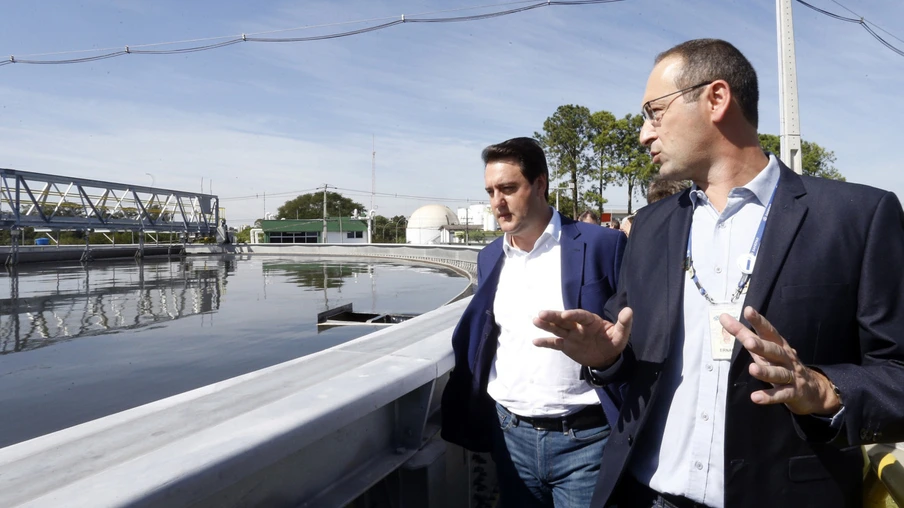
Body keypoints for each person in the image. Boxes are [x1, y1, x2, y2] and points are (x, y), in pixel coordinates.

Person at [532, 39, 904, 508]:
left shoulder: (858, 217)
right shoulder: (648, 228)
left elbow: (896, 372)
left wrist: (825, 391)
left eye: (654, 111)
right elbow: (627, 354)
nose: (645, 134)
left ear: (716, 98)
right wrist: (604, 358)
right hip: (647, 496)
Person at [441, 137, 627, 507]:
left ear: (540, 185)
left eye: (508, 188)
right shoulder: (490, 256)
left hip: (586, 440)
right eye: (491, 191)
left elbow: (633, 334)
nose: (497, 202)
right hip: (509, 436)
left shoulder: (603, 244)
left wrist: (607, 358)